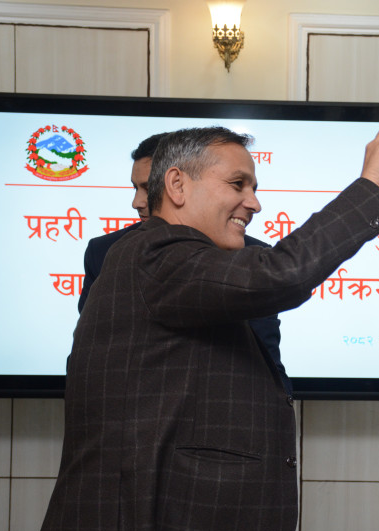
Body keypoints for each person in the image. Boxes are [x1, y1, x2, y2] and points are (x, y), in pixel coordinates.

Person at [21, 124, 379, 531]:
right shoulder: (155, 255)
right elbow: (282, 273)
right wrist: (370, 188)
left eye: (254, 187)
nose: (254, 204)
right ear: (177, 185)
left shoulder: (181, 263)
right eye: (237, 184)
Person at [79, 133, 291, 393]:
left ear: (178, 186)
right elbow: (92, 357)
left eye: (149, 188)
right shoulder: (111, 252)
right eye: (137, 188)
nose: (137, 202)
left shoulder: (251, 256)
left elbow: (266, 358)